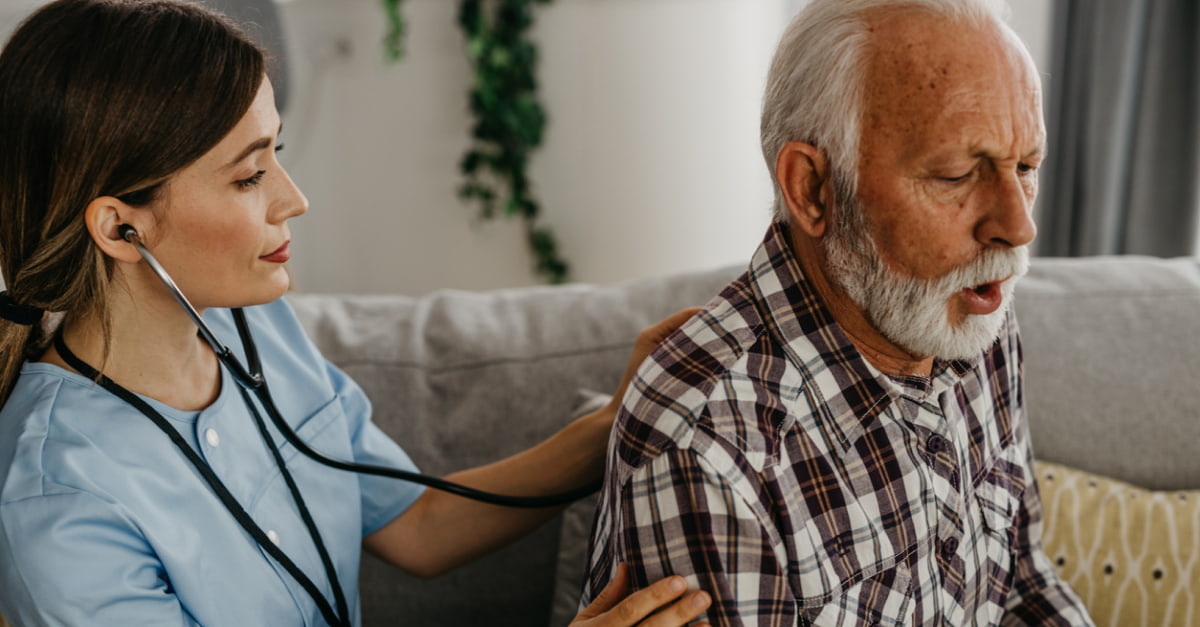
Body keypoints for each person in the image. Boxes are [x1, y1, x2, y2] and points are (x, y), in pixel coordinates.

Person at [0, 1, 712, 625]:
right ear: (121, 228)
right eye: (250, 176)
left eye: (275, 154)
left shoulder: (258, 326)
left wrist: (623, 417)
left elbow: (418, 527)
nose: (293, 199)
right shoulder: (59, 500)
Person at [582, 0, 1096, 625]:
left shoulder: (973, 310)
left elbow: (1022, 582)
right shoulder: (707, 454)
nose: (1019, 226)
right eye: (958, 174)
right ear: (813, 189)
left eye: (1026, 167)